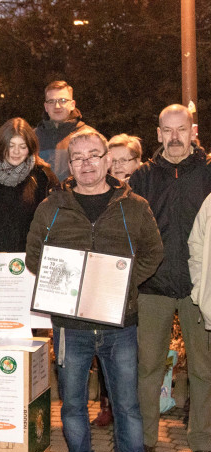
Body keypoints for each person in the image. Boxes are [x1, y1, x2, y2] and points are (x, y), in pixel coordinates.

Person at [26, 126, 163, 452]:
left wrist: (118, 285)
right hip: (71, 326)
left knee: (127, 405)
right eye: (78, 157)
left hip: (121, 324)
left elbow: (153, 252)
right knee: (71, 404)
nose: (86, 164)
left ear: (108, 160)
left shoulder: (134, 206)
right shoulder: (52, 206)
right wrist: (67, 284)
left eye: (93, 156)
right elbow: (35, 254)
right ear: (70, 164)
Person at [129, 104, 211, 452]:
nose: (175, 137)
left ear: (193, 132)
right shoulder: (143, 177)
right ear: (158, 133)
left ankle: (202, 443)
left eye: (182, 130)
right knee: (147, 367)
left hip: (199, 289)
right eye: (168, 130)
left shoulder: (208, 173)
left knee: (204, 370)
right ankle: (144, 440)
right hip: (153, 287)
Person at [90, 134, 144, 428]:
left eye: (126, 159)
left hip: (142, 281)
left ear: (138, 162)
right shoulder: (101, 193)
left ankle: (136, 406)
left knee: (136, 351)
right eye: (114, 160)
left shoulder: (145, 193)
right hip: (107, 282)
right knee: (106, 347)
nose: (120, 166)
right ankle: (108, 404)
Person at [0, 117, 57, 253]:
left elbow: (53, 223)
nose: (16, 152)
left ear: (30, 148)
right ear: (1, 145)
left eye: (22, 147)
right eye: (11, 145)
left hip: (28, 260)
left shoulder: (43, 177)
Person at [35, 80, 86, 182]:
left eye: (62, 100)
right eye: (51, 101)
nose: (57, 106)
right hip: (41, 198)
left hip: (74, 197)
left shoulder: (88, 136)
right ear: (46, 106)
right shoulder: (32, 137)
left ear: (72, 104)